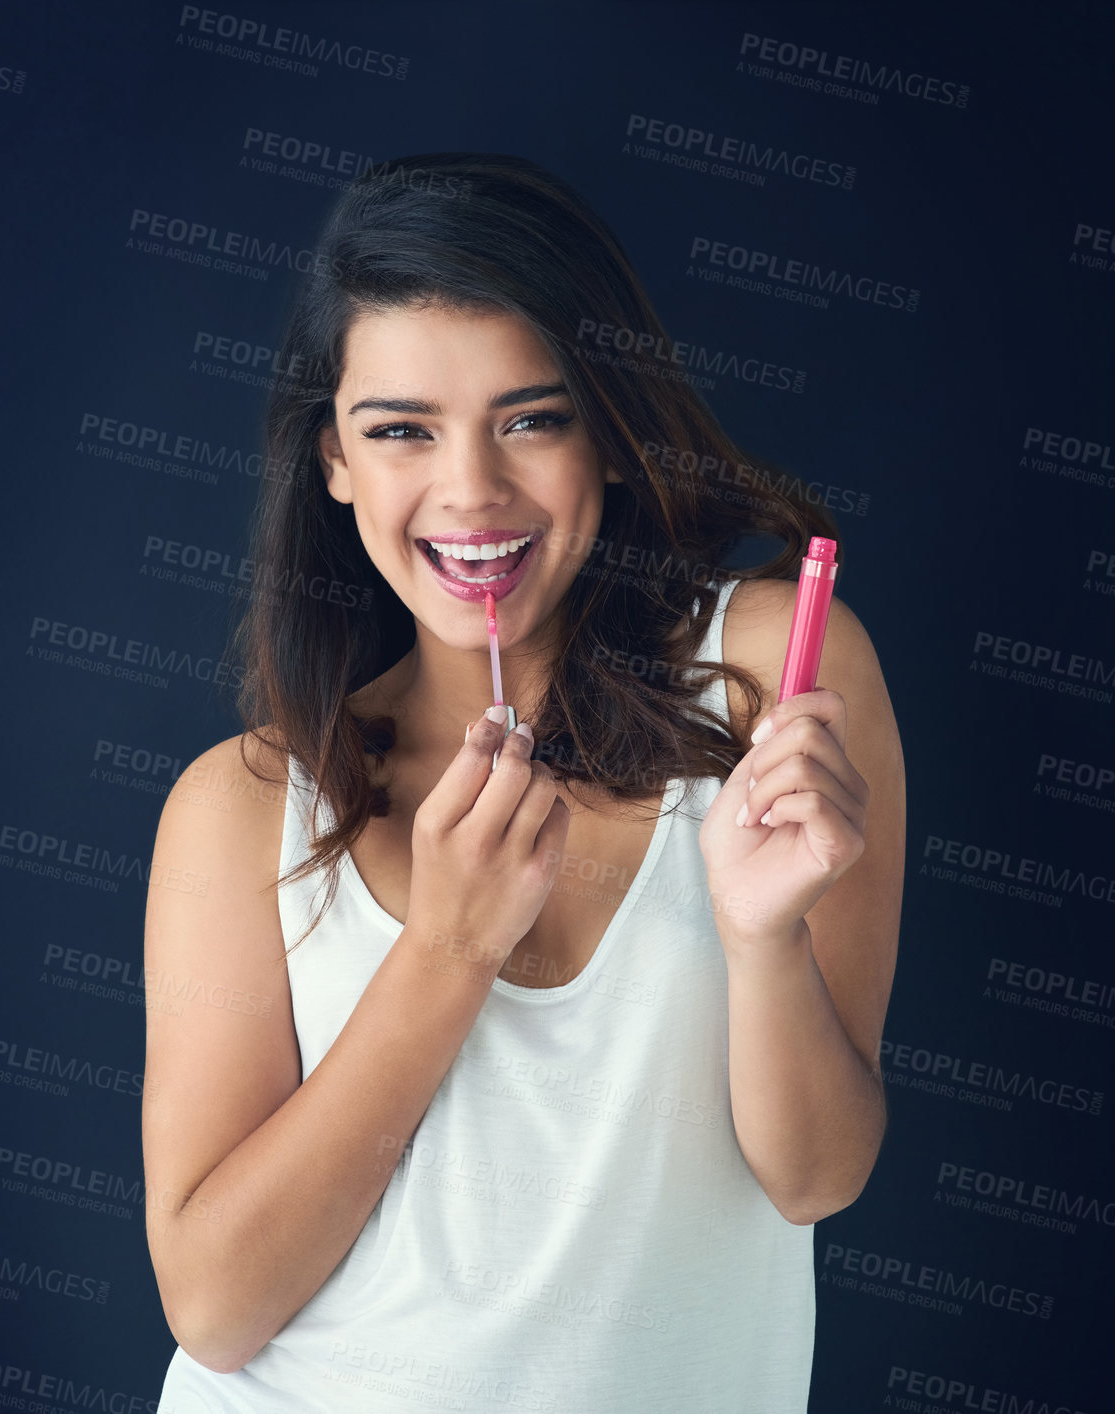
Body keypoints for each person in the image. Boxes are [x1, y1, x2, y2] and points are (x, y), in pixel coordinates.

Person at [142, 152, 905, 1412]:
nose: (472, 491)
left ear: (607, 429)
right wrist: (445, 950)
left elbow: (814, 1177)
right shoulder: (241, 806)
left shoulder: (773, 674)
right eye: (399, 431)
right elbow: (216, 1306)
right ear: (331, 461)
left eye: (531, 418)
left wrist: (762, 940)